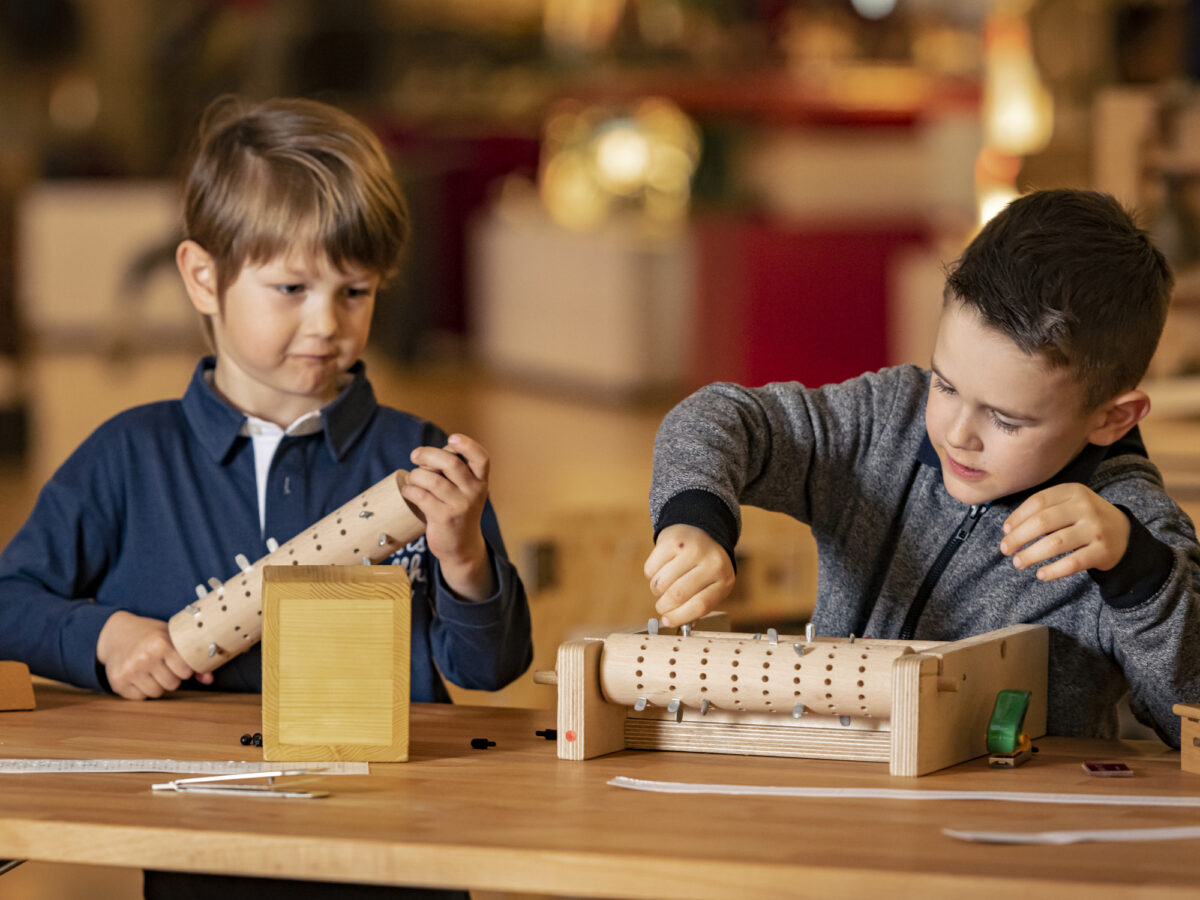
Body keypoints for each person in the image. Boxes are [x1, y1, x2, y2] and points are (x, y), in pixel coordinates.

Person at [0, 96, 532, 898]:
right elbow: (9, 601)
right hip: (205, 847)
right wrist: (102, 636)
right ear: (203, 277)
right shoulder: (128, 456)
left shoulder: (418, 460)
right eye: (291, 287)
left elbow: (492, 670)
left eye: (355, 292)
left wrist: (463, 556)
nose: (326, 323)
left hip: (400, 847)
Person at [644, 188, 1199, 748]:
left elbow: (1190, 717)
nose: (958, 434)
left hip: (1009, 802)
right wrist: (694, 518)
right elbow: (720, 416)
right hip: (834, 781)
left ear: (1111, 418)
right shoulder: (887, 420)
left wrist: (1138, 574)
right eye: (946, 385)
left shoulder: (1136, 539)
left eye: (1005, 419)